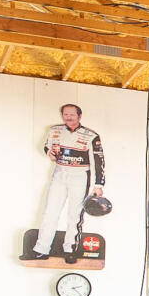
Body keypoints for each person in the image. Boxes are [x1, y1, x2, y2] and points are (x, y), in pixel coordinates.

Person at [38, 104, 103, 265]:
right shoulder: (55, 130)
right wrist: (49, 153)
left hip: (80, 176)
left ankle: (70, 250)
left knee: (75, 215)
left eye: (72, 115)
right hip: (60, 174)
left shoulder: (91, 136)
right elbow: (47, 145)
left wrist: (98, 185)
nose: (68, 117)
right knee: (50, 212)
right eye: (65, 114)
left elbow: (98, 161)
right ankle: (41, 249)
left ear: (79, 116)